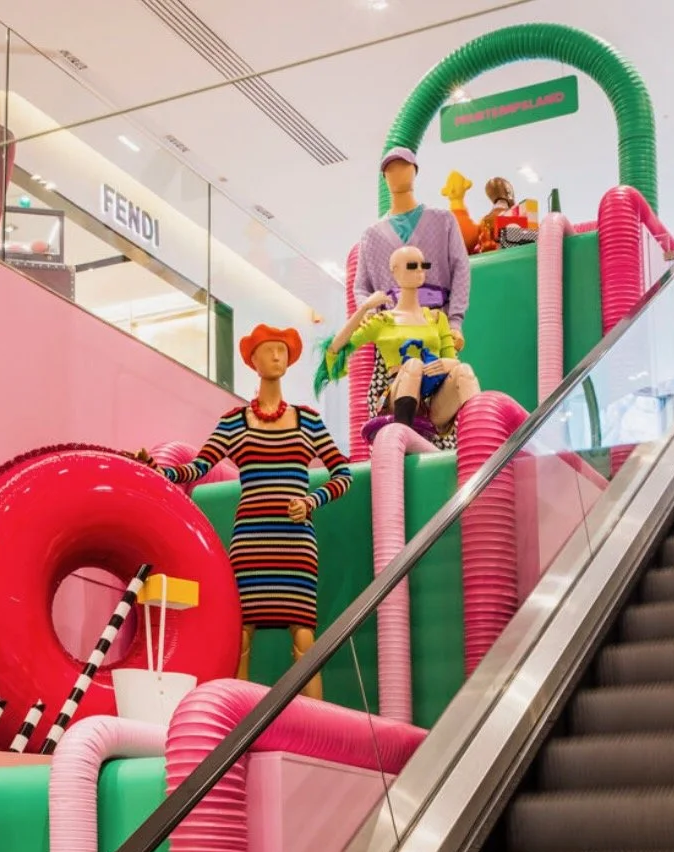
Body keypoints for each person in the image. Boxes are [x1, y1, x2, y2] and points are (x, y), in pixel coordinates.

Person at [137, 325, 350, 699]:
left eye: (283, 351)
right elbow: (198, 467)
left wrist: (312, 501)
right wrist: (162, 472)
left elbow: (342, 473)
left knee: (303, 635)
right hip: (251, 542)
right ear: (253, 360)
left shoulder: (309, 420)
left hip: (296, 544)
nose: (277, 357)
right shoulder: (234, 421)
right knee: (241, 635)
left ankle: (318, 724)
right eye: (269, 350)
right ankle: (237, 721)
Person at [321, 246, 479, 444]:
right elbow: (335, 348)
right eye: (412, 266)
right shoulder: (383, 321)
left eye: (424, 265)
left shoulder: (437, 318)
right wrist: (364, 308)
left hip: (434, 397)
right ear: (395, 271)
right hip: (399, 392)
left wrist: (451, 364)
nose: (420, 270)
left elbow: (451, 358)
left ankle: (480, 441)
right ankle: (402, 439)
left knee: (464, 371)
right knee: (413, 365)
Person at [354, 146, 472, 350]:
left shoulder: (443, 221)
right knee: (398, 381)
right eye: (390, 169)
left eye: (404, 166)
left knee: (446, 378)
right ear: (384, 176)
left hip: (437, 329)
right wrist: (369, 313)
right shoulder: (371, 236)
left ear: (414, 171)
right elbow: (361, 287)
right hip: (392, 334)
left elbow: (461, 269)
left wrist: (455, 322)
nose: (397, 172)